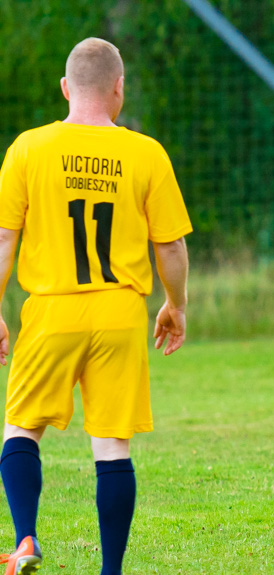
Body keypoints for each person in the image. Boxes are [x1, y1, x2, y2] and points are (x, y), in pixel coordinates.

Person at [0, 38, 192, 572]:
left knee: (21, 429)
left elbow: (3, 242)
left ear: (65, 87)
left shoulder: (28, 149)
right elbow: (171, 246)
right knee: (112, 447)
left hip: (51, 311)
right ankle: (110, 570)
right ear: (118, 89)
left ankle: (26, 541)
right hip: (120, 314)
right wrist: (176, 305)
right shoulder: (145, 153)